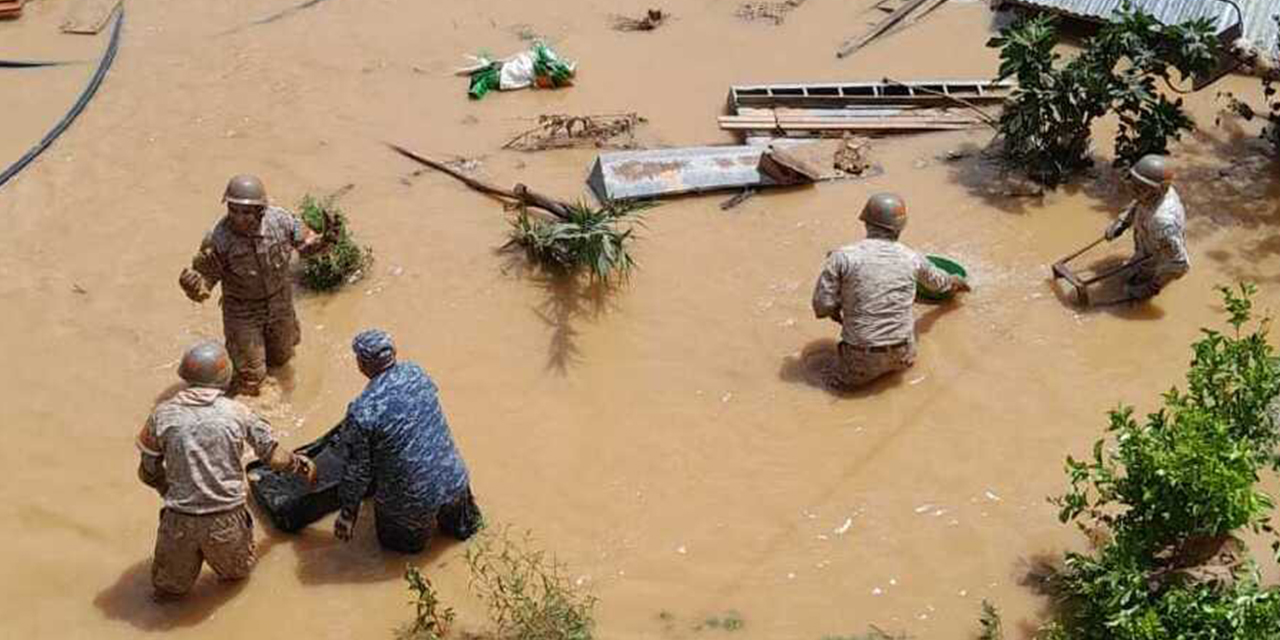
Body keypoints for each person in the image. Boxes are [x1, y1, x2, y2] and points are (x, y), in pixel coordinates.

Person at [136, 340, 316, 601]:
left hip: (178, 520)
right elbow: (274, 458)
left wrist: (168, 489)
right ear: (224, 376)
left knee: (168, 593)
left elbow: (147, 471)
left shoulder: (161, 416)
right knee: (235, 579)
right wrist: (300, 465)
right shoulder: (238, 413)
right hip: (226, 518)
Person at [178, 174, 336, 396]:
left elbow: (306, 246)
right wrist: (192, 287)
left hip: (280, 302)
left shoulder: (281, 221)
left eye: (245, 212)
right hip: (243, 311)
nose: (237, 217)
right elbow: (204, 287)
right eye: (233, 210)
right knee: (251, 376)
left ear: (260, 210)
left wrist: (324, 241)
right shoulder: (218, 239)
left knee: (283, 359)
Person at [334, 330, 482, 553]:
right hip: (454, 480)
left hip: (411, 503)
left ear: (362, 364)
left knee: (399, 556)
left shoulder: (362, 411)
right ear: (394, 354)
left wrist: (347, 514)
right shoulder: (416, 373)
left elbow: (357, 474)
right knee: (472, 536)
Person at [811, 193, 970, 390]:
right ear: (900, 227)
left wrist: (837, 307)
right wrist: (958, 281)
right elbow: (942, 284)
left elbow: (821, 306)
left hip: (860, 359)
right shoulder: (913, 258)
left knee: (830, 383)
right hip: (903, 355)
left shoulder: (841, 257)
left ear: (866, 222)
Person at [1103, 154, 1189, 300]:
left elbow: (1180, 264)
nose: (1133, 190)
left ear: (1158, 190)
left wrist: (1151, 288)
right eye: (1134, 183)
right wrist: (1123, 221)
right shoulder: (1151, 193)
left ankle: (1144, 279)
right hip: (1147, 238)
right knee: (1124, 274)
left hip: (1156, 257)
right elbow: (1139, 202)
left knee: (1128, 290)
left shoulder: (1162, 221)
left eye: (1140, 188)